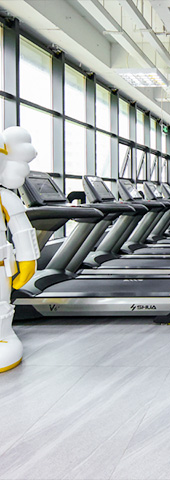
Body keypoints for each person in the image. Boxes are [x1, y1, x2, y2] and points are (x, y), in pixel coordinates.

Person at [0, 126, 40, 372]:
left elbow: (22, 230)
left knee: (1, 304)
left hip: (1, 265)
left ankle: (3, 336)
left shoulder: (4, 198)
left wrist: (28, 259)